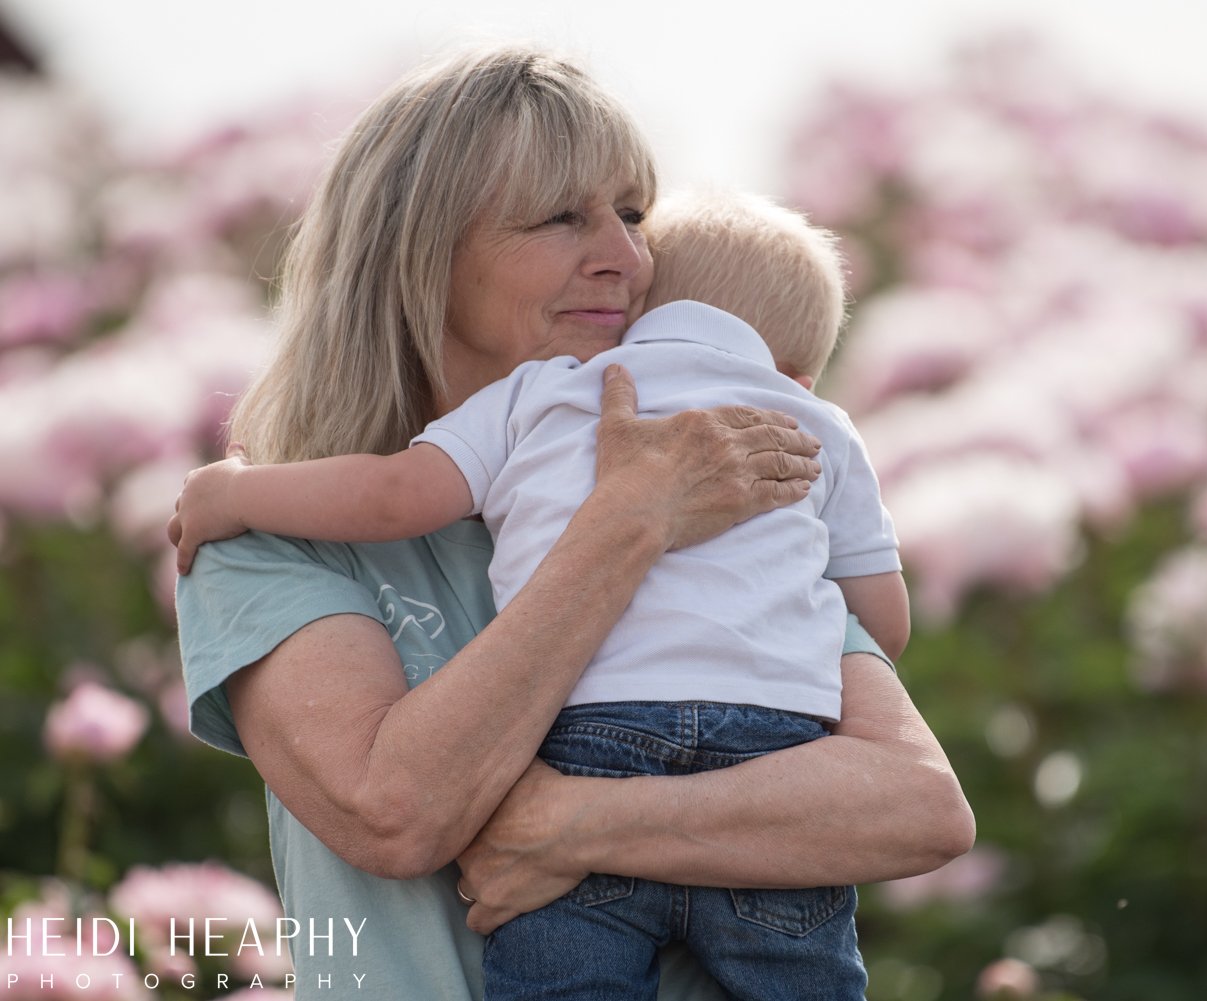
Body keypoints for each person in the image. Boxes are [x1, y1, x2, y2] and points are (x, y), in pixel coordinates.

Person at [170, 43, 973, 1001]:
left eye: (632, 214)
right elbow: (395, 812)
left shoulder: (721, 489)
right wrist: (624, 525)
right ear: (420, 254)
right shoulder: (265, 541)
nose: (626, 256)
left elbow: (915, 807)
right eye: (560, 218)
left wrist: (575, 824)